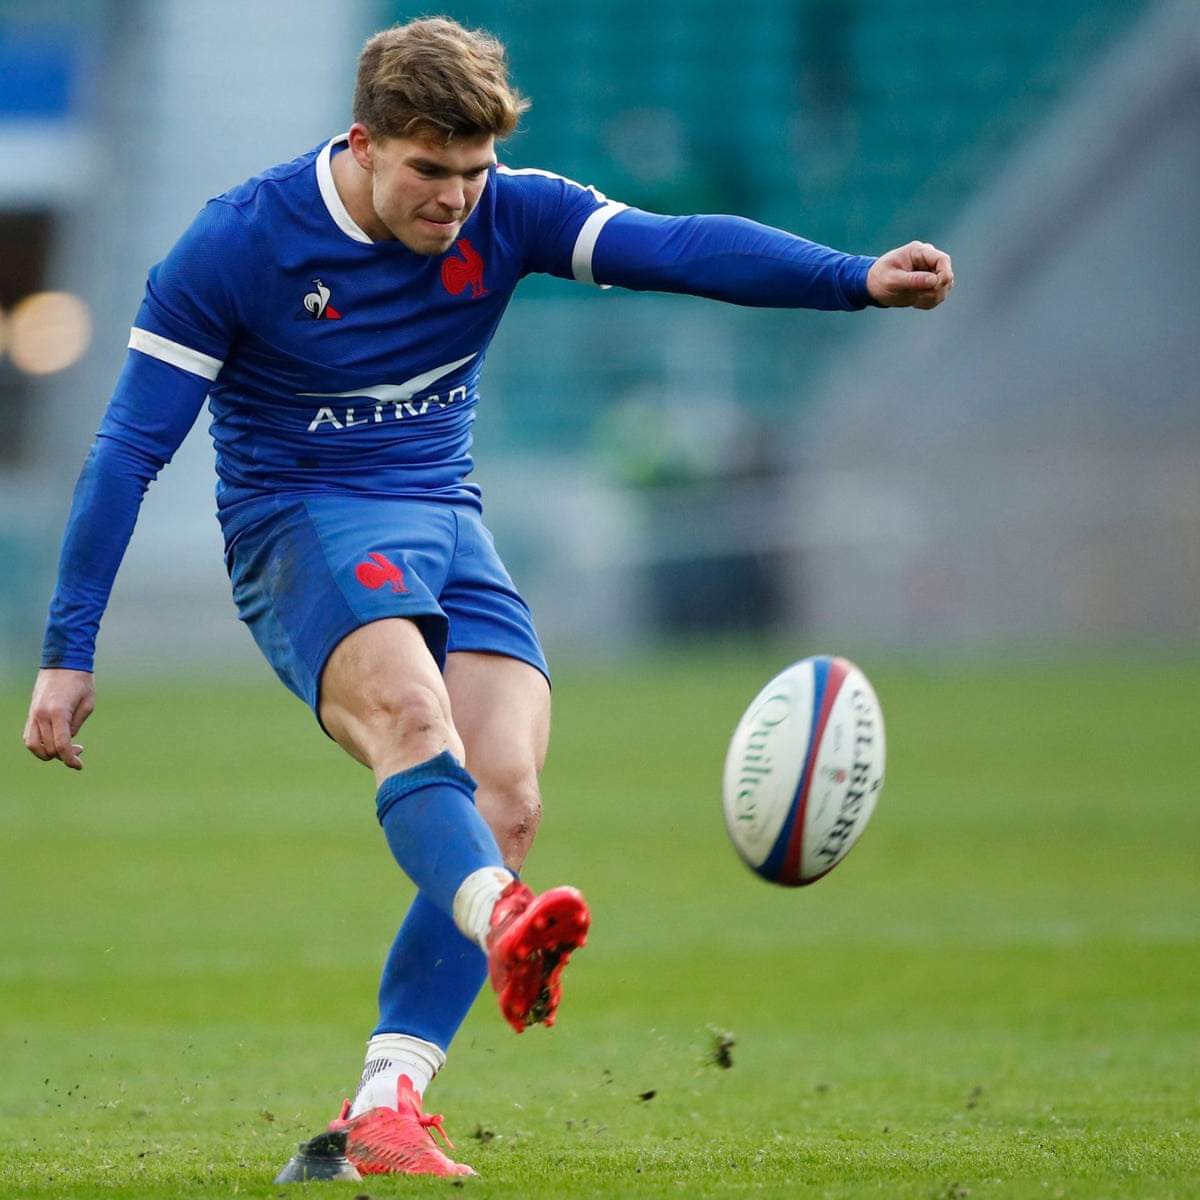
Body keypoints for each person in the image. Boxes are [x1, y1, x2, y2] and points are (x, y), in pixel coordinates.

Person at [22, 16, 954, 1179]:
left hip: (446, 520)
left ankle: (386, 1106)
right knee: (417, 724)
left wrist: (854, 279)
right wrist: (68, 647)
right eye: (431, 169)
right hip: (302, 523)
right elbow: (127, 450)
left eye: (473, 170)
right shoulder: (240, 243)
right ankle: (504, 919)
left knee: (506, 800)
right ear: (363, 142)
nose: (456, 198)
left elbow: (679, 247)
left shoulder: (509, 208)